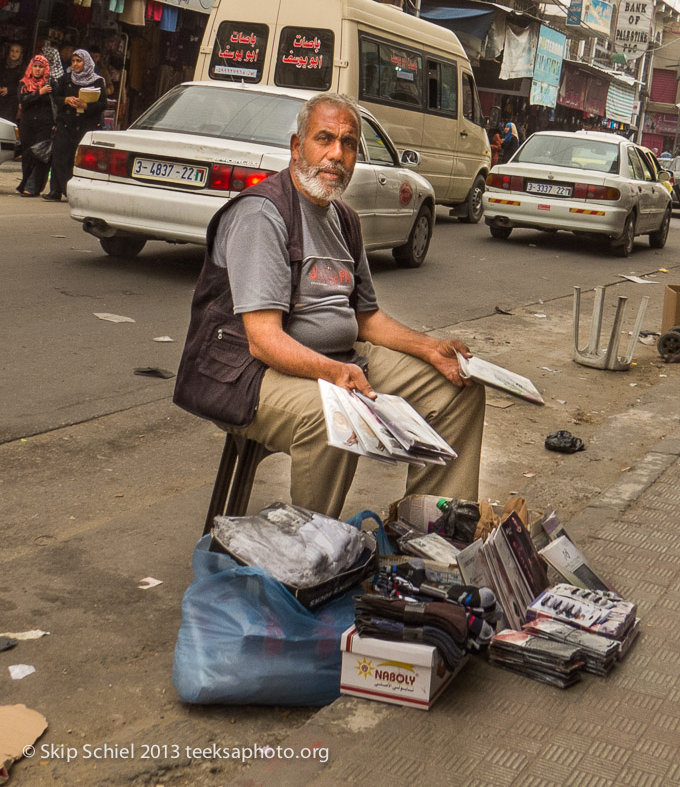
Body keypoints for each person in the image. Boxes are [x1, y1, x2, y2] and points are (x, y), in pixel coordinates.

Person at [174, 92, 486, 519]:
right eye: (324, 139)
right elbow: (263, 341)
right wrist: (335, 373)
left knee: (456, 388)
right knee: (338, 415)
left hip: (339, 358)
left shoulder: (343, 219)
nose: (336, 154)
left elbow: (366, 318)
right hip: (247, 374)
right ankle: (311, 553)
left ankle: (432, 534)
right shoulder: (263, 215)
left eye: (349, 143)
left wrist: (428, 347)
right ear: (296, 146)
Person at [43, 49, 106, 202]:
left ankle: (73, 191)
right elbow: (56, 97)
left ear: (87, 62)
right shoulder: (66, 78)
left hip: (85, 125)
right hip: (66, 124)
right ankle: (55, 190)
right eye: (73, 61)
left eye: (79, 61)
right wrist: (66, 100)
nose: (76, 64)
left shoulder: (97, 81)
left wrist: (86, 105)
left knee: (75, 158)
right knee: (59, 156)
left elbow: (102, 104)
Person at [16, 55, 54, 197]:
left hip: (45, 125)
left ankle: (31, 187)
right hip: (27, 125)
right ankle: (27, 183)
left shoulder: (50, 84)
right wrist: (39, 93)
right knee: (27, 155)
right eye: (35, 66)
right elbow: (23, 101)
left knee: (39, 154)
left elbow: (54, 104)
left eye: (41, 67)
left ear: (46, 69)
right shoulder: (24, 83)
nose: (38, 69)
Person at [0, 43, 24, 123]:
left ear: (20, 54)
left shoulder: (22, 68)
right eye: (12, 51)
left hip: (12, 101)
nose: (14, 53)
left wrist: (9, 90)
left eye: (17, 52)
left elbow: (22, 86)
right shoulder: (3, 64)